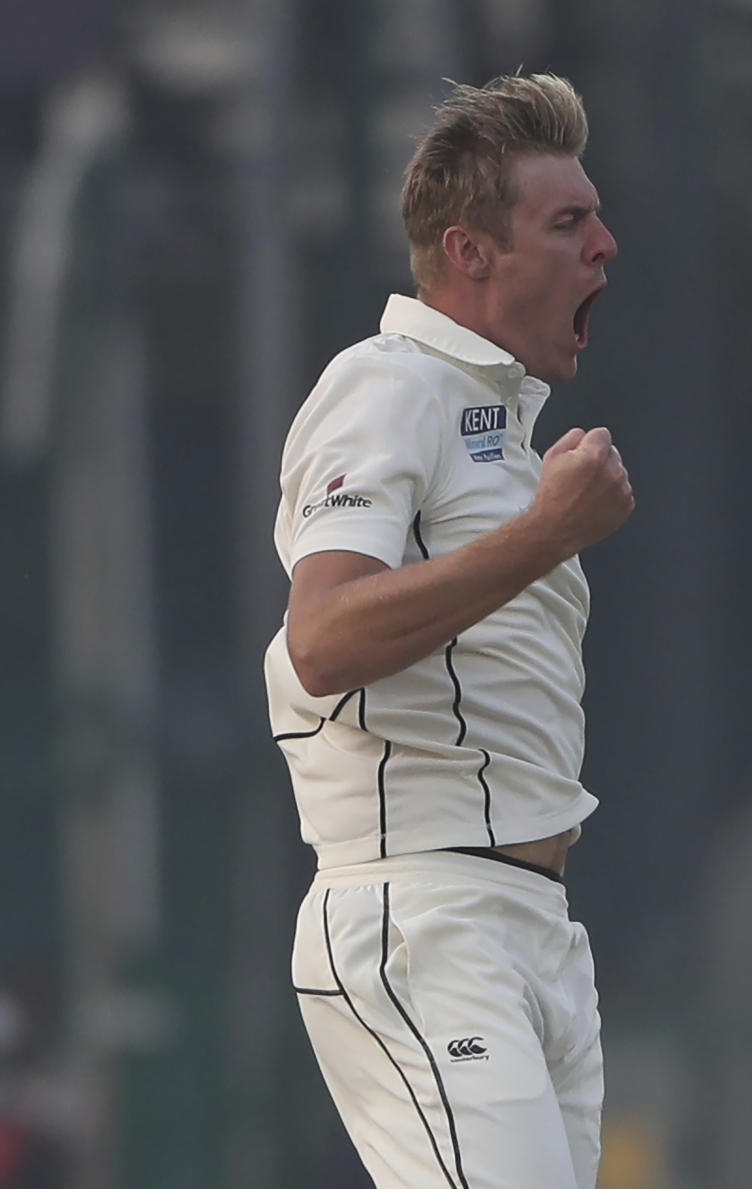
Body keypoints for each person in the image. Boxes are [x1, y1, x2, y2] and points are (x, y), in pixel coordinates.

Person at [264, 72, 632, 1189]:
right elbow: (320, 639)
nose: (605, 246)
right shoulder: (390, 382)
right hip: (423, 912)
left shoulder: (505, 429)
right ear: (470, 253)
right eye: (568, 223)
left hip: (530, 927)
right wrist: (542, 536)